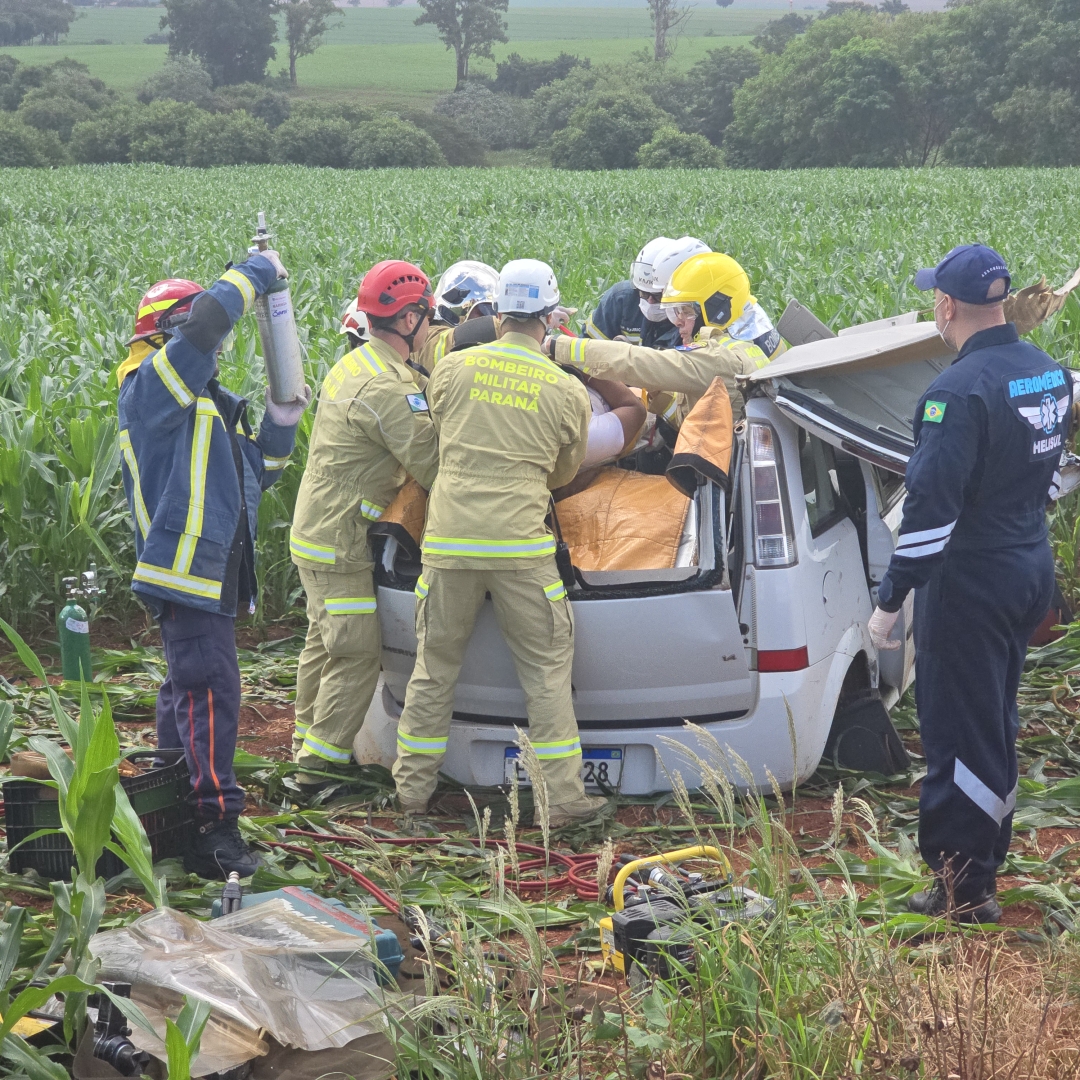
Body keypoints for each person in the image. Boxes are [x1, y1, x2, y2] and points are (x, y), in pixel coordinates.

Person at [867, 244, 1072, 923]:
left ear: (947, 306)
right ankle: (984, 862)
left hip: (972, 581)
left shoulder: (954, 394)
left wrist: (892, 598)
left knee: (957, 732)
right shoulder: (1045, 372)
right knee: (994, 721)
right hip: (1027, 565)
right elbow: (1050, 472)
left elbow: (930, 512)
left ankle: (962, 887)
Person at [117, 251, 309, 878]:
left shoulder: (205, 403)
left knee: (187, 691)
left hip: (211, 573)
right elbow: (205, 326)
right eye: (197, 328)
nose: (218, 346)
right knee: (209, 692)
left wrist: (281, 421)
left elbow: (256, 474)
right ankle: (212, 827)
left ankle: (174, 812)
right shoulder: (152, 388)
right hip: (184, 571)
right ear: (167, 332)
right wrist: (253, 275)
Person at [392, 258, 603, 826]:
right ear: (549, 319)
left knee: (433, 671)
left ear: (498, 314)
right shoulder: (564, 390)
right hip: (521, 552)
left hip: (448, 545)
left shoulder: (453, 370)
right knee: (546, 675)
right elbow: (563, 473)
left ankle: (412, 796)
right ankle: (564, 803)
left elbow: (439, 439)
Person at [289, 261, 441, 789]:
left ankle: (303, 743)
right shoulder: (387, 388)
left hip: (316, 531)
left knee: (323, 641)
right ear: (409, 320)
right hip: (341, 541)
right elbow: (433, 465)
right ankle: (318, 772)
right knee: (354, 652)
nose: (432, 328)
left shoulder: (356, 364)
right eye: (429, 317)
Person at [548, 252, 781, 423]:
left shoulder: (717, 358)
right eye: (676, 312)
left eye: (686, 312)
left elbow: (633, 361)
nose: (678, 321)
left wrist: (555, 345)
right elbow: (687, 417)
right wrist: (656, 391)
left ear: (714, 310)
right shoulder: (742, 348)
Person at [583, 236, 682, 349]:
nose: (650, 301)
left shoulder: (691, 317)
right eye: (644, 293)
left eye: (658, 296)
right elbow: (588, 348)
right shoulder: (620, 300)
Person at [411, 260, 501, 374]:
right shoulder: (427, 335)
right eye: (484, 310)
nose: (489, 315)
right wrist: (511, 325)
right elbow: (458, 339)